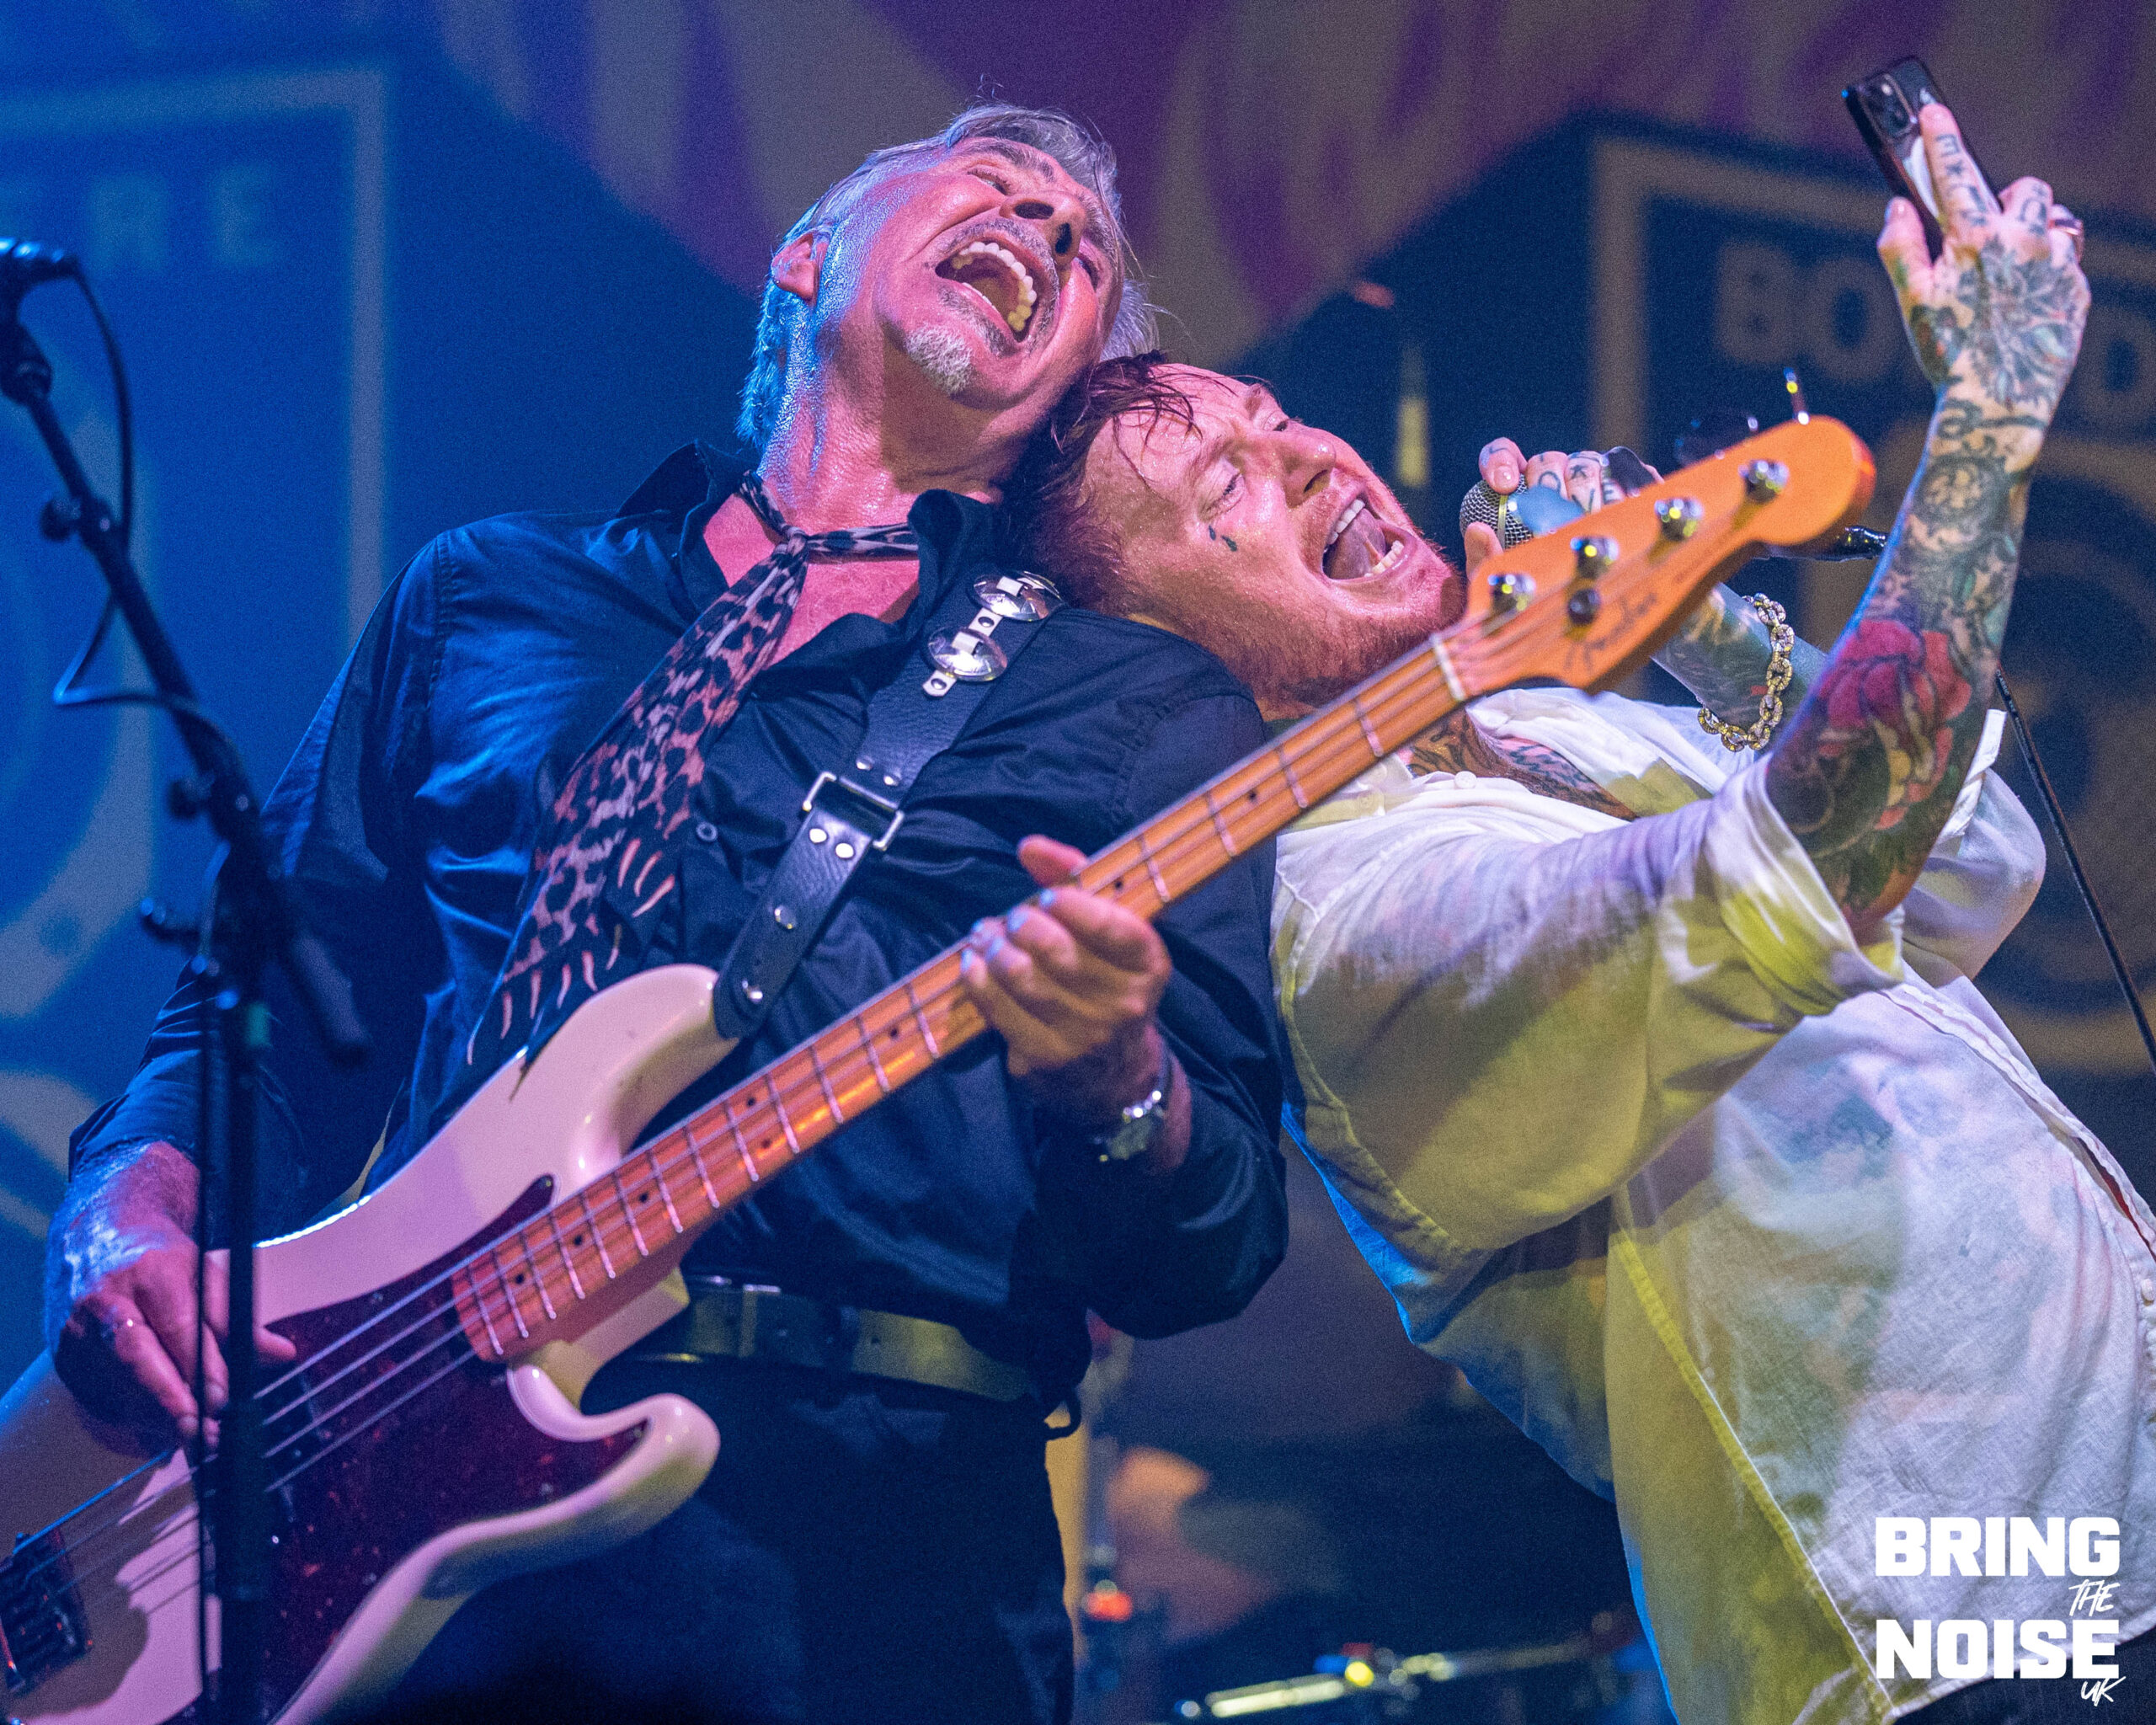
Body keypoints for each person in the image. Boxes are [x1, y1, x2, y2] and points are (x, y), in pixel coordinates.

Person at [45, 105, 1289, 1725]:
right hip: (400, 1514)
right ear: (806, 256)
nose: (1051, 224)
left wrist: (1121, 1082)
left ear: (1061, 401)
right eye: (996, 176)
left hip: (870, 1562)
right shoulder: (488, 594)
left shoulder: (1134, 705)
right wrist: (126, 1215)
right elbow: (255, 1026)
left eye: (1090, 251)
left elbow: (1219, 1238)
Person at [1008, 102, 2154, 1725]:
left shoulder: (1548, 726)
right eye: (1224, 495)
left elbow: (1970, 863)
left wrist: (1700, 625)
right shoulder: (1343, 921)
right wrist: (1987, 415)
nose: (1308, 457)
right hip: (1952, 1654)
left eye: (1275, 422)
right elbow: (1834, 845)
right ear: (1158, 660)